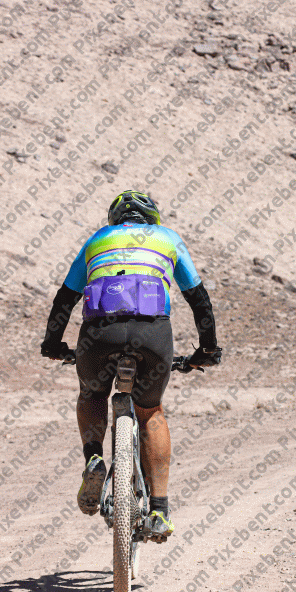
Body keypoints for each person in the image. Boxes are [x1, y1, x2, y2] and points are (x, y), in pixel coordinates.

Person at [40, 190, 221, 540]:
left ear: (115, 219)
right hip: (152, 334)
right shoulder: (168, 238)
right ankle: (159, 510)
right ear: (152, 218)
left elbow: (65, 298)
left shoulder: (97, 239)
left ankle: (94, 458)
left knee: (92, 393)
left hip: (99, 334)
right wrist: (207, 349)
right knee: (150, 411)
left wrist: (52, 344)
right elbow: (199, 300)